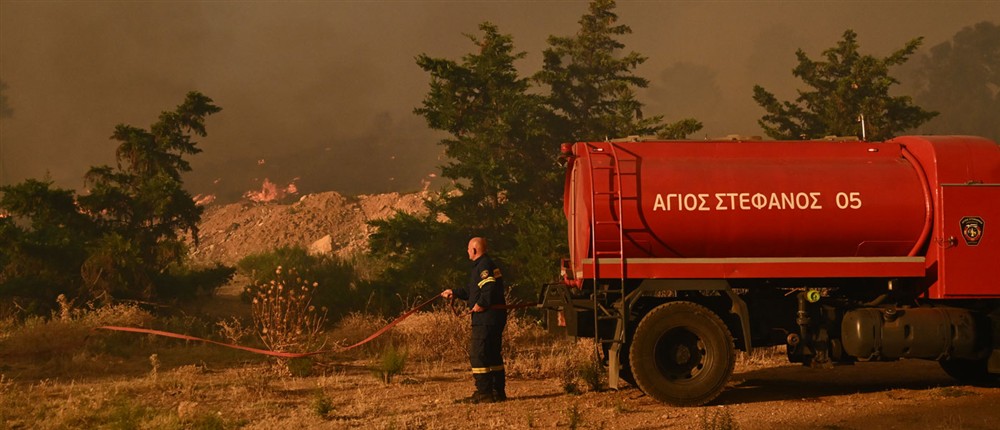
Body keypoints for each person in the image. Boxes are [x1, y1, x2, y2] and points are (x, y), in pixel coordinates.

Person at [441, 237, 508, 403]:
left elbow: (489, 287)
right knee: (492, 355)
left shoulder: (483, 266)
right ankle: (497, 393)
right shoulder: (486, 265)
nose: (467, 252)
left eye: (468, 249)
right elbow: (474, 292)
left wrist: (481, 304)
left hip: (485, 318)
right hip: (493, 318)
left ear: (475, 250)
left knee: (478, 354)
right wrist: (455, 293)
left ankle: (484, 393)